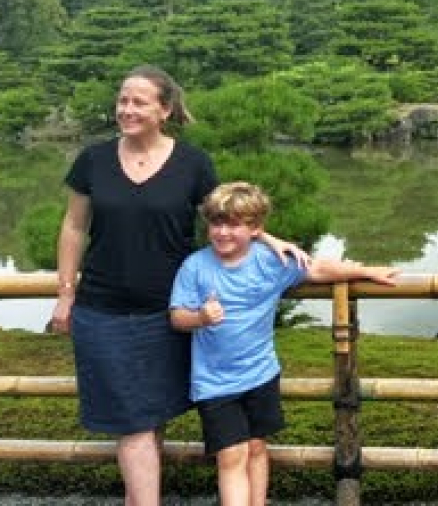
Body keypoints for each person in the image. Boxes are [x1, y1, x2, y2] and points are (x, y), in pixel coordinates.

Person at [48, 64, 308, 506]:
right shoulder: (93, 159)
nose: (126, 109)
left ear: (164, 109)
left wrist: (269, 237)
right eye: (122, 100)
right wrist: (65, 292)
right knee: (133, 423)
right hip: (103, 309)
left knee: (152, 418)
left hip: (171, 313)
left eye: (139, 102)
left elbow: (225, 215)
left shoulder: (192, 163)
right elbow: (74, 228)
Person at [169, 181, 399, 506]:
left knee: (257, 447)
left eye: (234, 224)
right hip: (215, 382)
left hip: (261, 374)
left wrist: (366, 270)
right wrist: (201, 318)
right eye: (217, 223)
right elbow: (177, 316)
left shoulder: (271, 262)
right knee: (231, 456)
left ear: (255, 229)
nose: (223, 232)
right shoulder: (195, 266)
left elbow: (317, 268)